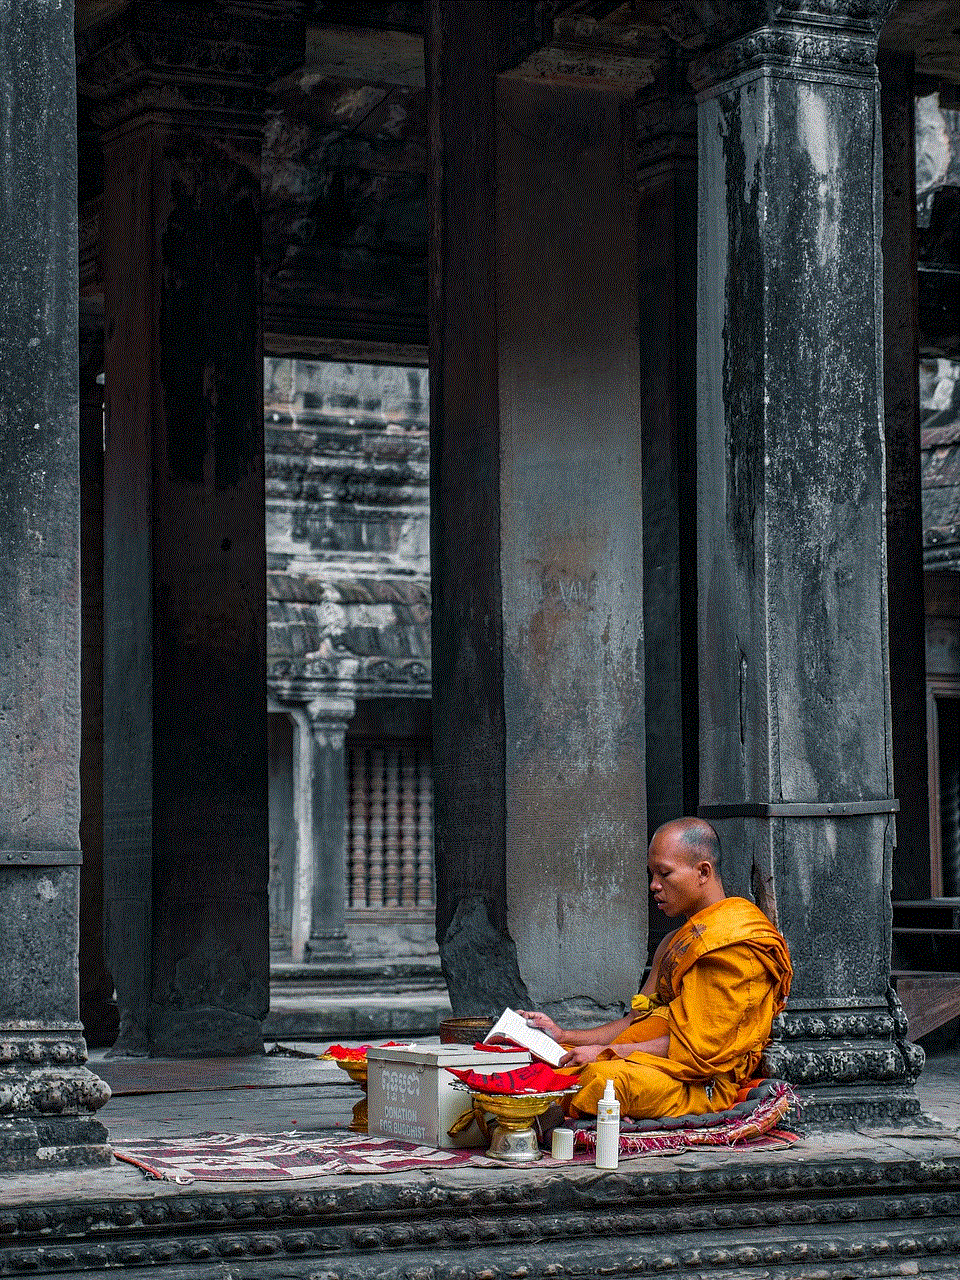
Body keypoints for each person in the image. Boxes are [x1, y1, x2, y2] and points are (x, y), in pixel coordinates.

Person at [519, 817, 792, 1119]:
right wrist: (563, 1034)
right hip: (647, 1059)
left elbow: (699, 1050)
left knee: (601, 1082)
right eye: (651, 874)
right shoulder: (675, 942)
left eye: (665, 873)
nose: (654, 885)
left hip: (697, 1081)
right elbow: (633, 1021)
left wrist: (606, 1054)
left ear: (703, 872)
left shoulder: (734, 942)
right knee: (544, 1058)